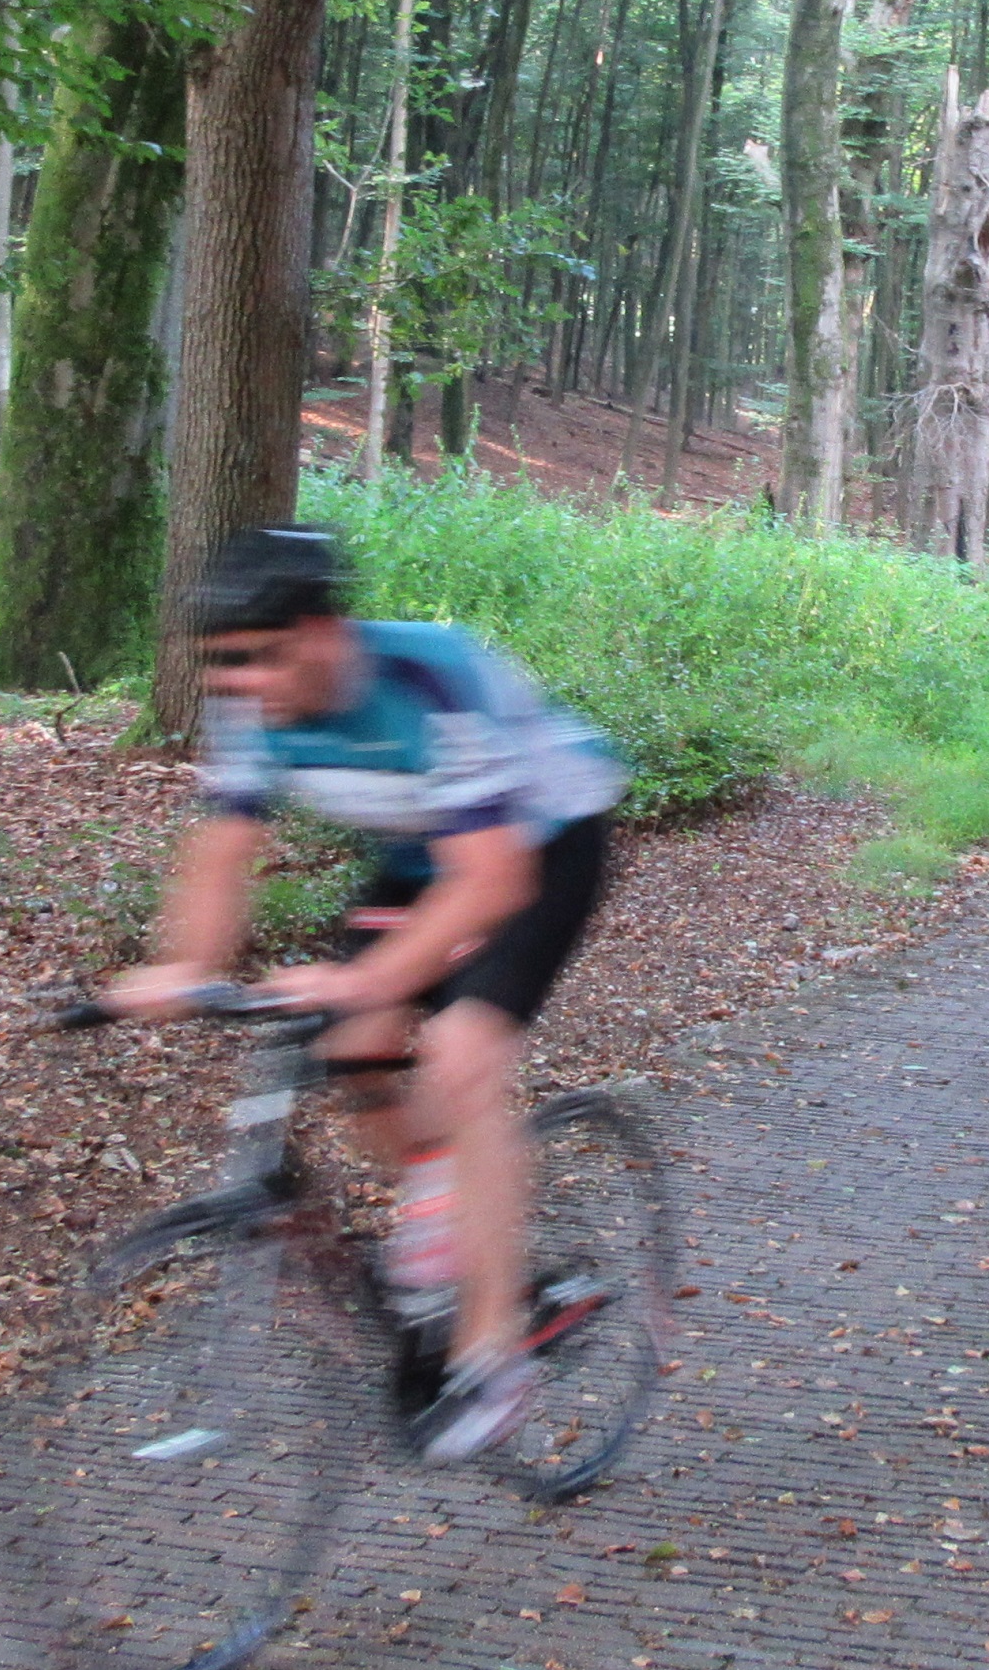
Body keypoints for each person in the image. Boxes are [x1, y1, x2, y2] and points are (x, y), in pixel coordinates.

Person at [103, 526, 626, 1463]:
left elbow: (493, 881)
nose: (241, 687)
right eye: (221, 669)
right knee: (353, 1051)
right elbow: (222, 849)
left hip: (541, 849)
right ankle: (453, 1200)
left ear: (324, 630)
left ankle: (493, 1352)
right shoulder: (245, 702)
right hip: (422, 856)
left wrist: (364, 978)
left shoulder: (430, 679)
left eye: (259, 660)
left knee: (463, 1057)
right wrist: (179, 968)